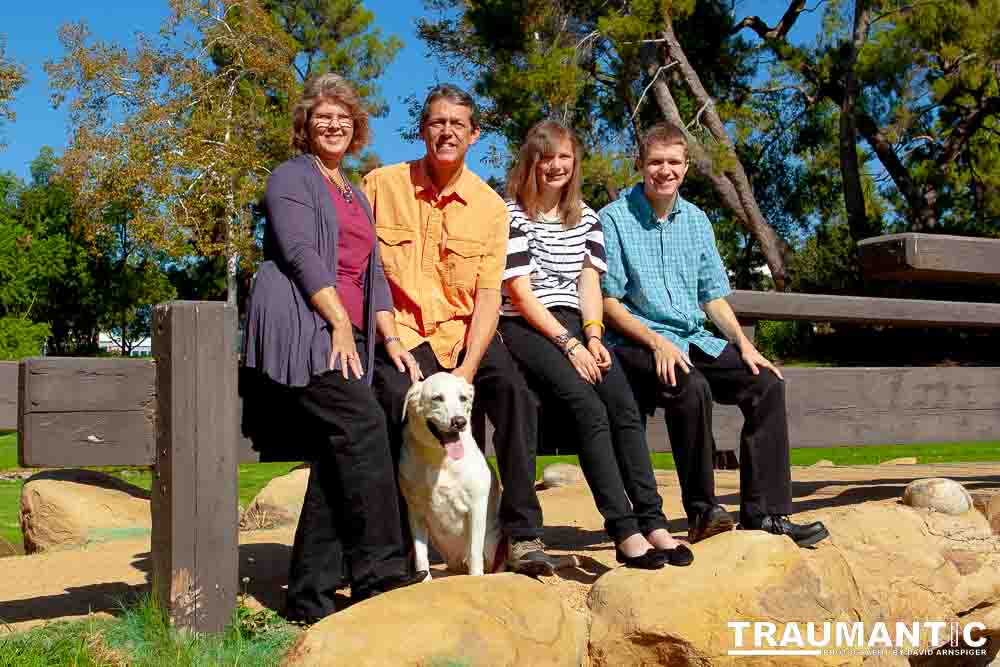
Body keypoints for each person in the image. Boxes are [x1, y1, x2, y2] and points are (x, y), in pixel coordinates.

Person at [241, 73, 424, 624]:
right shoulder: (290, 178)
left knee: (336, 449)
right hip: (304, 326)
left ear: (357, 126)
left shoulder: (352, 191)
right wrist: (340, 323)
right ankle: (381, 573)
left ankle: (309, 597)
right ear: (306, 124)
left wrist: (390, 338)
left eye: (344, 116)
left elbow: (375, 276)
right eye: (323, 115)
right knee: (364, 423)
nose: (334, 123)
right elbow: (298, 252)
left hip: (351, 332)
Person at [599, 121, 829, 548]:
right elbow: (608, 303)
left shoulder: (698, 220)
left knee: (765, 383)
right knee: (691, 387)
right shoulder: (613, 219)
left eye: (673, 162)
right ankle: (703, 511)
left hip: (691, 336)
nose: (664, 170)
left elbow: (712, 297)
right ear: (640, 165)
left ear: (685, 167)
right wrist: (656, 341)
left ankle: (766, 514)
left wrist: (744, 345)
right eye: (655, 162)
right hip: (637, 342)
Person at [362, 85, 558, 575]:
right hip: (405, 334)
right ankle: (393, 548)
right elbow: (363, 272)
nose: (446, 131)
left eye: (457, 124)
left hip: (465, 335)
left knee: (514, 393)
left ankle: (523, 535)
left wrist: (469, 369)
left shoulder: (491, 208)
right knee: (388, 400)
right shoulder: (381, 186)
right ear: (423, 129)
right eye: (437, 122)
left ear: (474, 135)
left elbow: (491, 294)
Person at [498, 120, 693, 569]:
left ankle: (653, 522)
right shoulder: (510, 214)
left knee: (624, 407)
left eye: (564, 156)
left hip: (577, 324)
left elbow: (589, 282)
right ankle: (624, 532)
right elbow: (521, 294)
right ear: (531, 161)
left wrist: (593, 334)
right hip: (528, 325)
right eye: (547, 157)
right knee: (588, 408)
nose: (556, 165)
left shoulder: (585, 216)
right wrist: (569, 345)